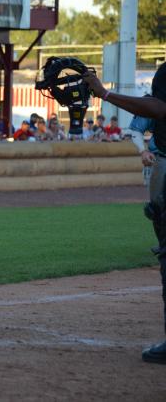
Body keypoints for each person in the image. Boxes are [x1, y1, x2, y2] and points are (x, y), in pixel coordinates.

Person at [84, 64, 166, 365]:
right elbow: (136, 129)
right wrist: (142, 150)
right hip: (158, 156)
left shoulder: (160, 86)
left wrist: (105, 93)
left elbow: (157, 108)